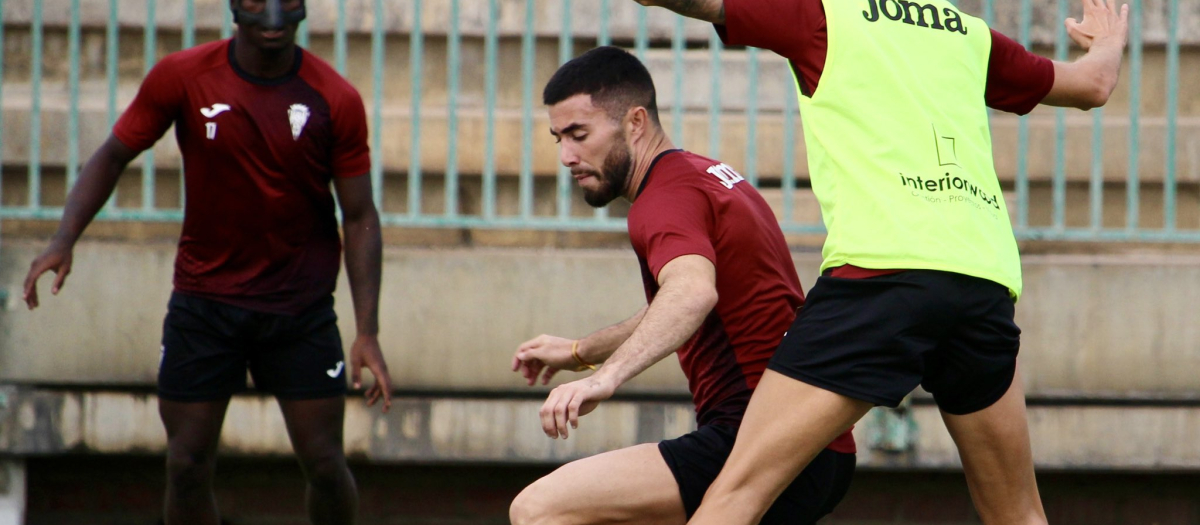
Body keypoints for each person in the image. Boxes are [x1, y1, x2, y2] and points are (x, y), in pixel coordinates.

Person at [625, 0, 1130, 523]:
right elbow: (1091, 85)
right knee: (1019, 513)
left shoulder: (826, 16)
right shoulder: (968, 33)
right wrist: (1109, 40)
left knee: (736, 495)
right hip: (980, 284)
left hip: (880, 280)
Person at [22, 1, 393, 523]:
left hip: (299, 310)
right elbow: (112, 155)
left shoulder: (335, 98)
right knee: (187, 463)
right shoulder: (184, 76)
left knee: (327, 464)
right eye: (257, 2)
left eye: (285, 3)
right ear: (235, 7)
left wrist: (367, 331)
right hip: (204, 305)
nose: (272, 15)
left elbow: (359, 217)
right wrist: (64, 239)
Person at [508, 46, 856, 525]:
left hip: (753, 441)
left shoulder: (662, 200)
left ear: (634, 122)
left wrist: (602, 379)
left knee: (539, 509)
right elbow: (686, 302)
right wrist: (578, 352)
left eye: (579, 134)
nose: (567, 156)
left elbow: (692, 294)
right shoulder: (708, 178)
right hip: (812, 445)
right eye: (557, 139)